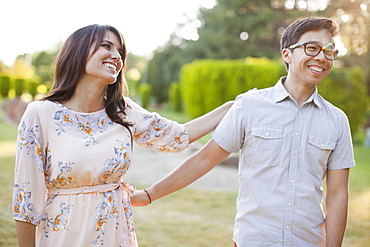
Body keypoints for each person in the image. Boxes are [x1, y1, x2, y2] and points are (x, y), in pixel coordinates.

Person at [131, 17, 356, 247]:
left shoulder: (337, 120)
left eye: (329, 51)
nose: (321, 57)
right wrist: (149, 195)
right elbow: (203, 160)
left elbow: (337, 195)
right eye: (312, 48)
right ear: (287, 54)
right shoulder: (250, 106)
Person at [12, 24, 233, 247]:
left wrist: (233, 106)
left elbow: (177, 137)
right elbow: (25, 200)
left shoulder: (121, 110)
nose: (116, 56)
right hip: (63, 236)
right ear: (78, 51)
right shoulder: (41, 114)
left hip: (114, 234)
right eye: (106, 46)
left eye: (121, 52)